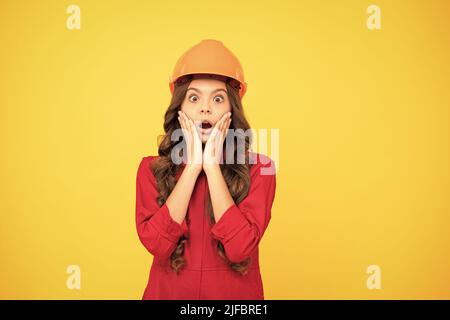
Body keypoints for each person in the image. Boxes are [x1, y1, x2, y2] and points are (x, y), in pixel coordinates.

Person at [135, 39, 277, 299]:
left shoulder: (263, 168)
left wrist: (212, 167)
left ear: (231, 110)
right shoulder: (150, 169)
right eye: (193, 97)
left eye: (218, 98)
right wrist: (192, 168)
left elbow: (239, 248)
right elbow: (157, 245)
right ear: (180, 108)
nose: (205, 108)